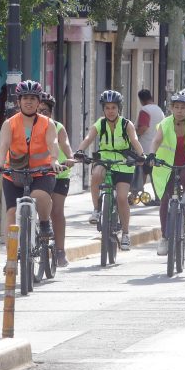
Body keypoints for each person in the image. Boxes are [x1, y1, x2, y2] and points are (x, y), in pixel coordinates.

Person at [0, 80, 63, 242]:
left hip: (42, 172)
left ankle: (44, 223)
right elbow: (3, 145)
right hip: (14, 173)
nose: (28, 101)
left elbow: (53, 143)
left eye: (32, 98)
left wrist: (55, 160)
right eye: (25, 98)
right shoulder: (10, 123)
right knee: (11, 213)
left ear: (38, 102)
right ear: (19, 102)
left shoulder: (47, 123)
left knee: (39, 195)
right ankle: (11, 256)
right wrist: (0, 163)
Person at [74, 90, 145, 251]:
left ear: (119, 108)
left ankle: (126, 233)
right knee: (96, 174)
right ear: (103, 109)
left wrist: (142, 156)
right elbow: (88, 138)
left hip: (123, 163)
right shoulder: (100, 124)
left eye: (113, 107)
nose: (110, 111)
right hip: (104, 159)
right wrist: (79, 151)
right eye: (107, 108)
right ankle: (97, 210)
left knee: (121, 198)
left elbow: (134, 140)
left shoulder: (127, 124)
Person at [150, 92, 185, 255]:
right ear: (171, 108)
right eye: (176, 107)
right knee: (164, 200)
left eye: (183, 108)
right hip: (167, 165)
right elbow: (156, 141)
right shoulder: (165, 123)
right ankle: (164, 238)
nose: (179, 111)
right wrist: (152, 155)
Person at [38, 92, 75, 267]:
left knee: (57, 211)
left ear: (51, 113)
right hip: (37, 173)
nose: (41, 114)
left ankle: (60, 250)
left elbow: (65, 144)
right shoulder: (27, 126)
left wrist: (70, 158)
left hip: (59, 173)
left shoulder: (57, 127)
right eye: (39, 110)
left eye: (45, 111)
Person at [135, 89, 165, 204]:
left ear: (141, 100)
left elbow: (143, 128)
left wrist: (134, 134)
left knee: (142, 171)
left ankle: (139, 194)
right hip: (159, 147)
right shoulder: (159, 110)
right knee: (154, 173)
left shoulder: (145, 110)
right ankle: (158, 196)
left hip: (146, 146)